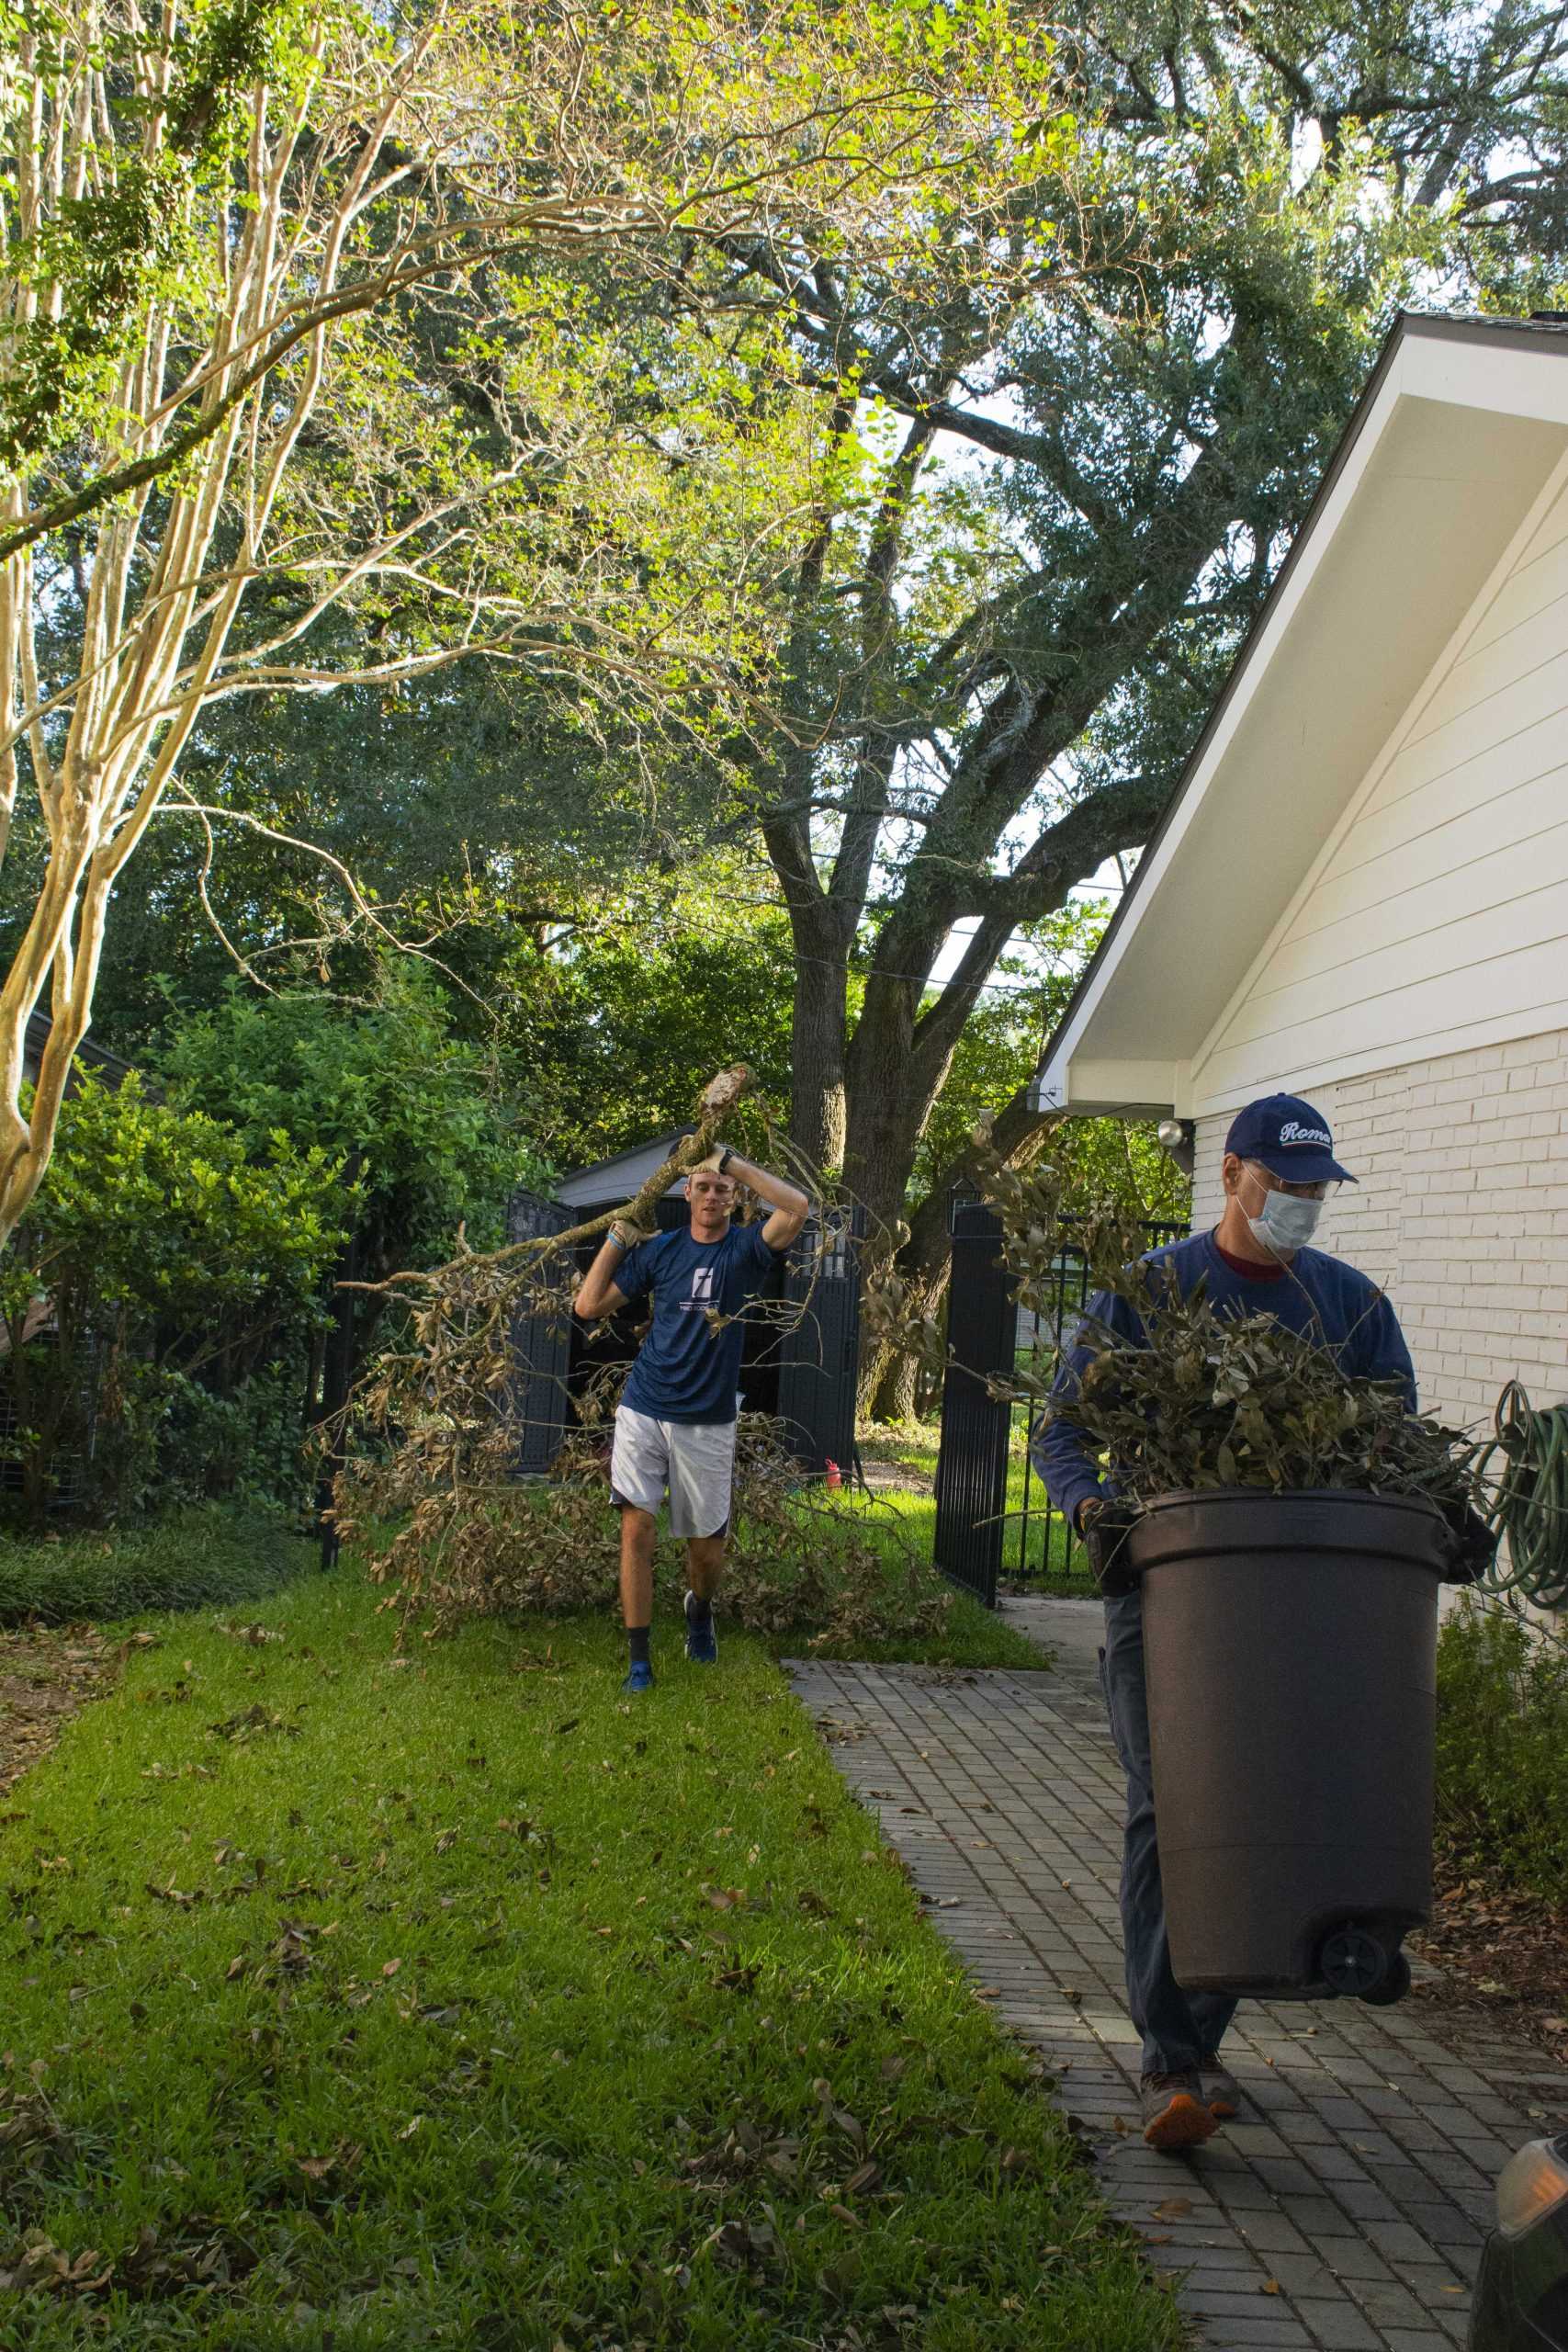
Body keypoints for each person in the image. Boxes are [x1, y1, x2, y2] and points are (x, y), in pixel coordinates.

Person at [1032, 1093, 1417, 2153]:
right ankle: (1173, 2050)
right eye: (1285, 1185)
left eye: (1314, 1190)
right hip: (1163, 1587)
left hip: (1290, 1605)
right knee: (1171, 1799)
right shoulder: (1150, 1293)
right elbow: (1061, 1432)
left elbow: (1397, 1439)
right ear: (1232, 1180)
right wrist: (1085, 1506)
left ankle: (1199, 2035)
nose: (1301, 1205)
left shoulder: (1350, 1307)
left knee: (1250, 1801)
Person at [573, 1145, 809, 1692]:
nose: (711, 1196)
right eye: (702, 1187)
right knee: (637, 1528)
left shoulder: (746, 1250)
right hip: (644, 1407)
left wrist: (730, 1162)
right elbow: (588, 1307)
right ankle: (639, 1660)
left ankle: (699, 1610)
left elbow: (797, 1207)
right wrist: (615, 1241)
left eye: (721, 1189)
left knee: (706, 1550)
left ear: (734, 1198)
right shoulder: (664, 1251)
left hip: (706, 1418)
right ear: (687, 1194)